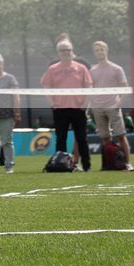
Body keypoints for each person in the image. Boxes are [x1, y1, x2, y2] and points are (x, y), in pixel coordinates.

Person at [40, 40, 95, 171]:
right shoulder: (52, 69)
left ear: (72, 51)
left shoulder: (81, 68)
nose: (66, 53)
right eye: (63, 50)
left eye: (68, 50)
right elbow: (45, 86)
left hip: (78, 109)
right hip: (60, 109)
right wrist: (52, 104)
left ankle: (87, 166)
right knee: (61, 138)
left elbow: (89, 86)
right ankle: (61, 164)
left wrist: (86, 104)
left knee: (82, 138)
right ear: (58, 53)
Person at [89, 41, 130, 169]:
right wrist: (92, 104)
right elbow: (90, 89)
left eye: (101, 49)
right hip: (98, 108)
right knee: (105, 137)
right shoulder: (92, 70)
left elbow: (125, 88)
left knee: (121, 135)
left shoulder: (117, 69)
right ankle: (110, 164)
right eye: (97, 50)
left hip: (113, 106)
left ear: (106, 51)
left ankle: (128, 163)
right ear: (94, 53)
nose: (99, 52)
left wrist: (118, 103)